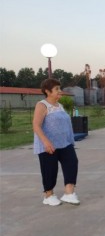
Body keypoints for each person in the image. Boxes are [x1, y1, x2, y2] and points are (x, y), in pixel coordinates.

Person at [32, 78, 80, 206]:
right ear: (47, 91)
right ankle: (48, 195)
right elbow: (36, 125)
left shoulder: (60, 106)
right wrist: (46, 142)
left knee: (72, 163)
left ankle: (69, 193)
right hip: (48, 145)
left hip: (65, 143)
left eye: (60, 88)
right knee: (50, 170)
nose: (60, 91)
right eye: (57, 89)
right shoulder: (42, 105)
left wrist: (70, 140)